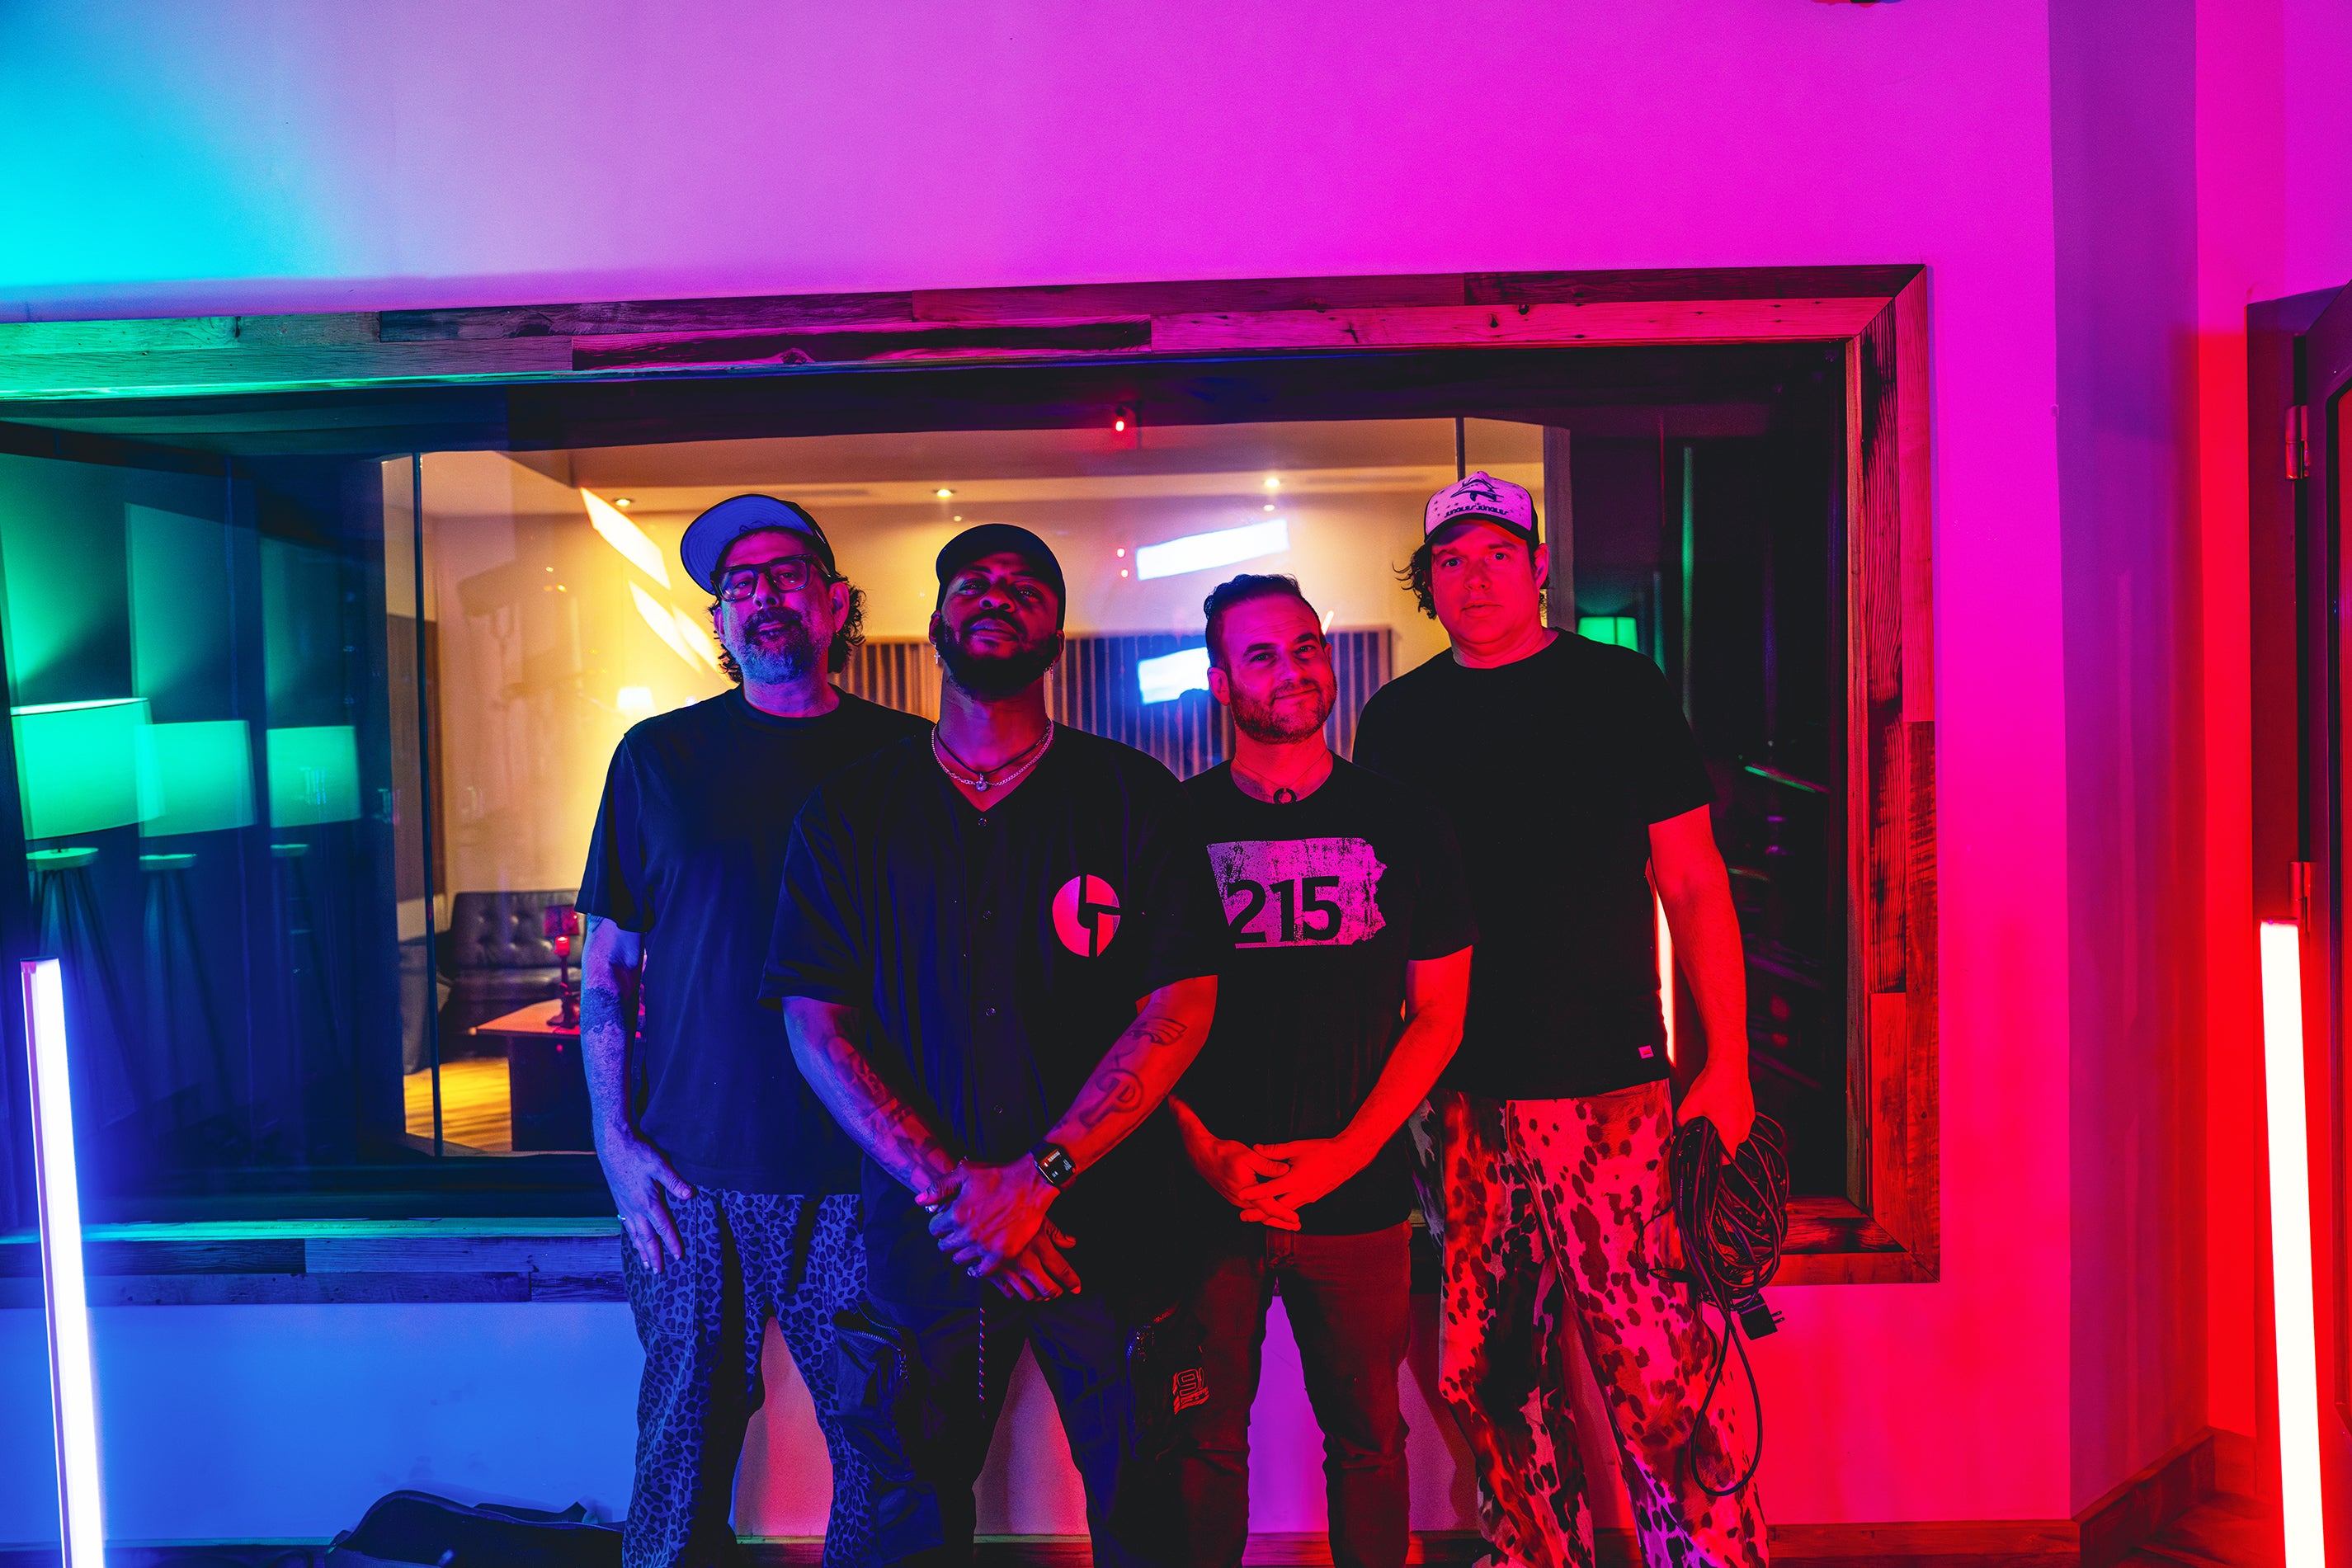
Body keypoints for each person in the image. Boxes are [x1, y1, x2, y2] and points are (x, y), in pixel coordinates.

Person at [762, 523, 1224, 1567]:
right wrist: (960, 1193)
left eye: (1025, 586)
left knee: (1148, 1510)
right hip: (929, 1238)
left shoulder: (1132, 796)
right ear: (935, 622)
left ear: (1056, 631)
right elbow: (814, 1024)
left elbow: (1181, 1005)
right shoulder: (849, 812)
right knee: (910, 1522)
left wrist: (1038, 1177)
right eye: (972, 582)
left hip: (1107, 1228)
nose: (997, 596)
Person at [1352, 473, 1768, 1568]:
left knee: (1656, 1365)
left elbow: (1691, 880)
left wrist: (1727, 1061)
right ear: (1428, 582)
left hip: (1607, 1086)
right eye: (1451, 560)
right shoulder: (1396, 718)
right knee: (1483, 1373)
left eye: (1497, 553)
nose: (1475, 577)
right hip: (1456, 1093)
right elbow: (1386, 912)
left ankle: (1710, 1560)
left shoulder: (1617, 688)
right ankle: (1534, 1553)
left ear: (1537, 566)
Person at [579, 495, 928, 1568]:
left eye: (786, 575)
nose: (763, 596)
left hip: (858, 1167)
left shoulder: (906, 758)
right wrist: (614, 1144)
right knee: (677, 1446)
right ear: (721, 621)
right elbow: (607, 969)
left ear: (835, 604)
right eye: (740, 584)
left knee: (886, 1445)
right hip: (689, 1176)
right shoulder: (656, 757)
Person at [1165, 574, 1474, 1568]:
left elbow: (1439, 1013)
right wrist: (1204, 1149)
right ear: (1220, 681)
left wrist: (1344, 1153)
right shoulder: (1170, 826)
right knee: (1200, 1440)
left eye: (1305, 646)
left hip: (1360, 1196)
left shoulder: (1408, 819)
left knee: (1371, 1441)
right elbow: (1129, 1020)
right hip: (1205, 1195)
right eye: (1260, 654)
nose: (1292, 669)